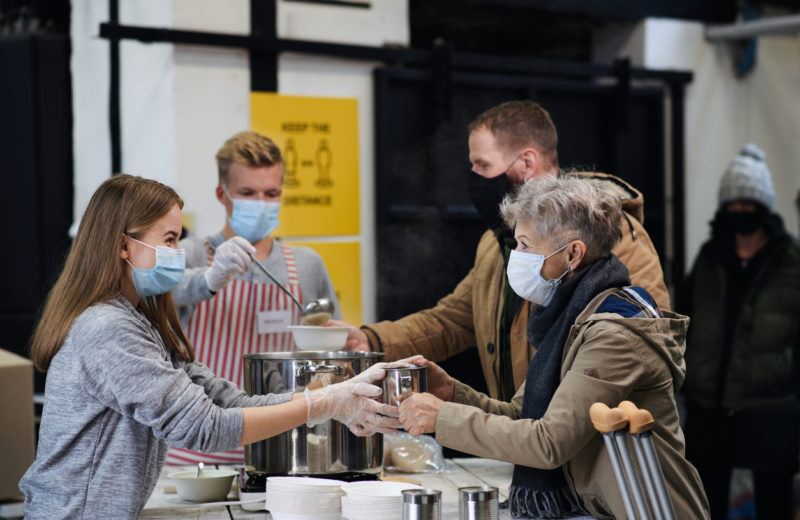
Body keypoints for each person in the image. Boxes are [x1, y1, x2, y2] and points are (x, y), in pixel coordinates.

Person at [19, 175, 402, 519]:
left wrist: (330, 396)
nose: (178, 252)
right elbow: (204, 427)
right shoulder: (108, 328)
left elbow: (227, 402)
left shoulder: (139, 321)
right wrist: (322, 404)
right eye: (168, 239)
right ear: (123, 245)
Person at [397, 175, 709, 519]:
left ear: (573, 253)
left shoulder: (615, 333)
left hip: (649, 510)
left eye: (526, 245)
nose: (517, 257)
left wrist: (442, 419)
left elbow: (548, 442)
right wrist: (452, 394)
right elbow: (523, 417)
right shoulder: (570, 318)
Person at [335, 100, 669, 401]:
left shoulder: (610, 235)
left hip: (581, 449)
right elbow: (455, 319)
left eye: (482, 165)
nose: (474, 177)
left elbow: (648, 346)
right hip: (522, 441)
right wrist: (370, 341)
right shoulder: (497, 242)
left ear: (526, 162)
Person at [168, 130, 341, 465]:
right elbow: (155, 300)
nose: (261, 204)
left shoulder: (306, 265)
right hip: (195, 453)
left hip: (280, 450)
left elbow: (329, 353)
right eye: (248, 193)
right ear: (223, 193)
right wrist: (209, 277)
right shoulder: (190, 255)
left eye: (271, 193)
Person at [680, 143, 800, 520]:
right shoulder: (709, 257)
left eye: (749, 205)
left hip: (772, 409)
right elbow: (684, 318)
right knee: (704, 505)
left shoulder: (792, 262)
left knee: (774, 505)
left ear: (765, 208)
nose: (741, 213)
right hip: (709, 408)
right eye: (733, 205)